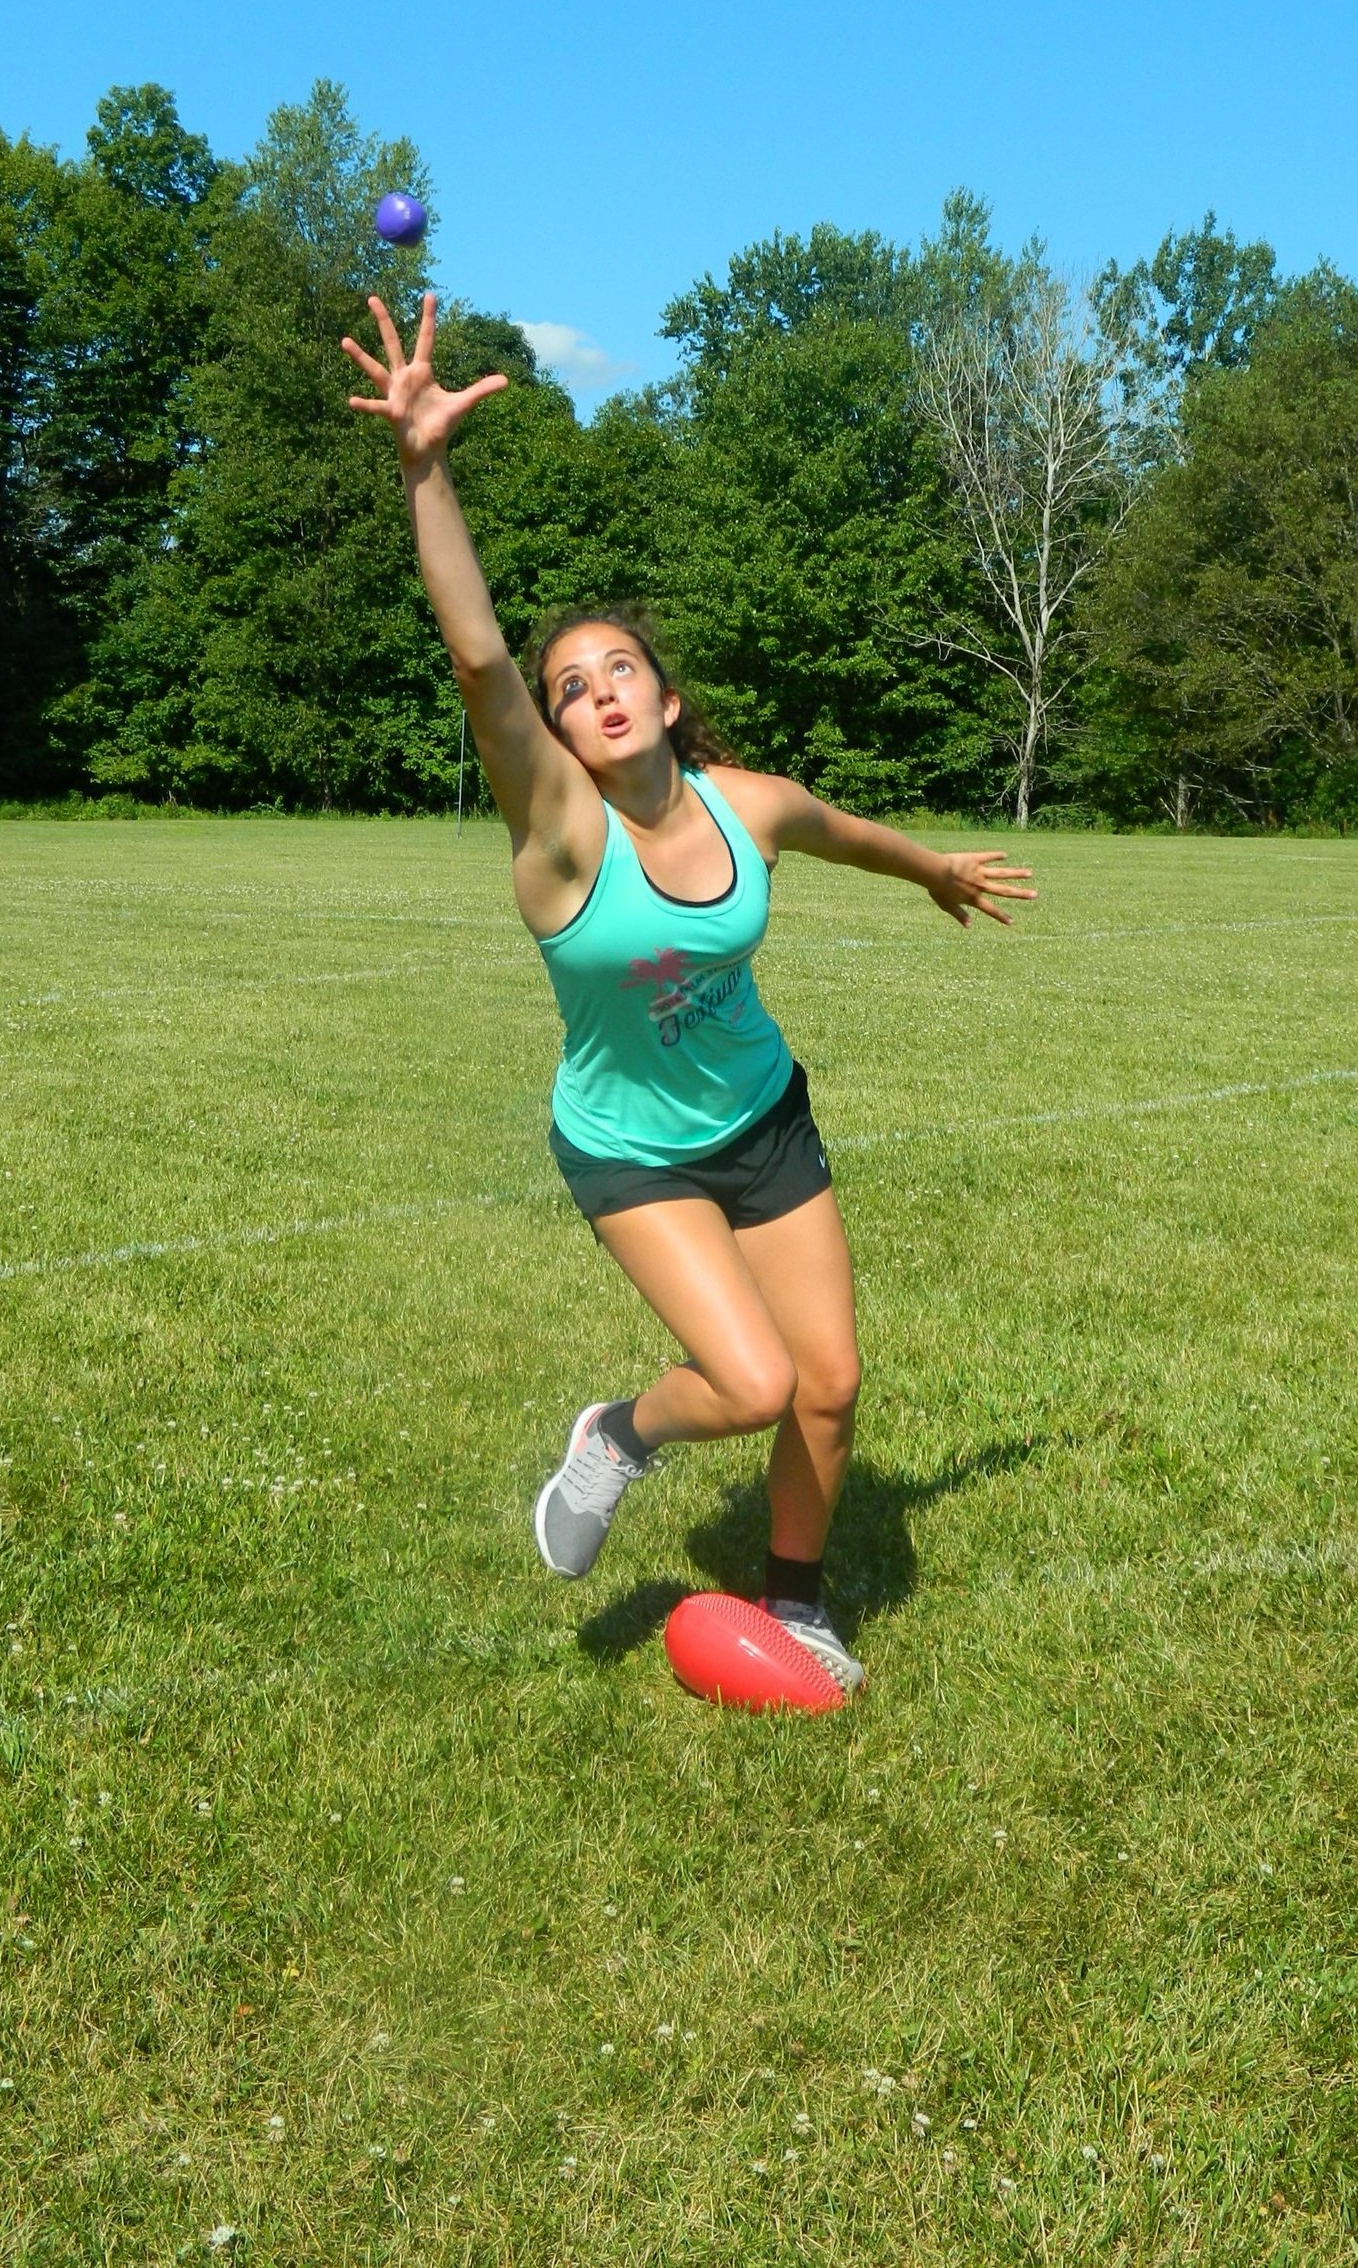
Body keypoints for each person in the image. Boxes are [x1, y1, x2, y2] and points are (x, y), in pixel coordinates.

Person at [343, 293, 1034, 1695]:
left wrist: (937, 876)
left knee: (830, 1386)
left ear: (663, 698)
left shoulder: (748, 804)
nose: (594, 692)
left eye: (619, 671)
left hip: (762, 1118)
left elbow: (843, 828)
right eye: (569, 686)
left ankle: (796, 1598)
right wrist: (426, 463)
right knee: (752, 1385)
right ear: (557, 728)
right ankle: (622, 1432)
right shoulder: (558, 835)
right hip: (632, 1148)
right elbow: (479, 655)